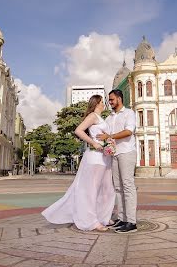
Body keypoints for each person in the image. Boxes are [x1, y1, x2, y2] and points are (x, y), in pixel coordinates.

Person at [41, 95, 114, 231]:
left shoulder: (101, 118)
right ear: (97, 103)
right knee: (92, 190)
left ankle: (103, 216)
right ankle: (92, 221)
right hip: (95, 157)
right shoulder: (93, 116)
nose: (104, 104)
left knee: (106, 189)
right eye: (102, 102)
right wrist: (93, 142)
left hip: (105, 158)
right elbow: (78, 130)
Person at [101, 89, 138, 233]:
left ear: (119, 99)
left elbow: (129, 131)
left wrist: (110, 135)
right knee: (118, 187)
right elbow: (104, 133)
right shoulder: (109, 118)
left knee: (128, 186)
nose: (110, 102)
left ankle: (131, 222)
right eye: (109, 100)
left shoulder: (129, 113)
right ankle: (122, 219)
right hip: (114, 154)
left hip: (127, 152)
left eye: (112, 100)